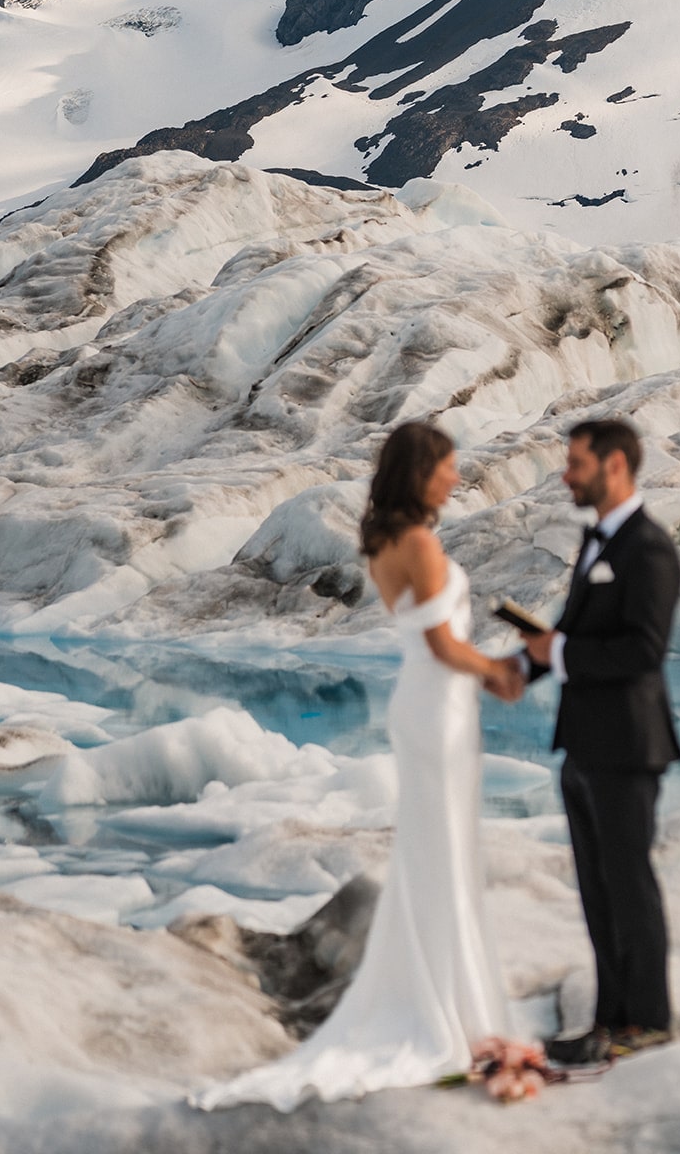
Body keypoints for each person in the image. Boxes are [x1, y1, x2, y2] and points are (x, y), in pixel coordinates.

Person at [196, 420, 523, 1111]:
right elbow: (442, 644)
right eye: (447, 467)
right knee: (443, 854)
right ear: (419, 473)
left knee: (433, 853)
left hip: (421, 704)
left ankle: (438, 996)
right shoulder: (420, 543)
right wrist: (498, 669)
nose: (456, 478)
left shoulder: (382, 542)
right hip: (440, 704)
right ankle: (444, 1011)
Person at [521, 419, 680, 1066]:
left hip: (626, 746)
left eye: (575, 463)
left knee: (629, 886)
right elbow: (569, 632)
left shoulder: (649, 549)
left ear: (614, 465)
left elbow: (643, 650)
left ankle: (647, 1022)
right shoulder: (598, 541)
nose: (566, 474)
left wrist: (555, 652)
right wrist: (519, 667)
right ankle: (608, 1022)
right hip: (583, 746)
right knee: (596, 889)